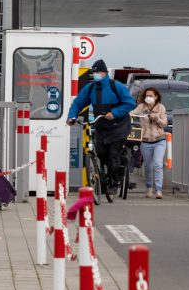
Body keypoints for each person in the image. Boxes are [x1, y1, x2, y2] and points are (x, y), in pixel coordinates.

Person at [67, 59, 134, 195]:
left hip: (118, 126)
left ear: (104, 73)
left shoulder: (117, 86)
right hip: (101, 126)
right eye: (94, 72)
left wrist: (114, 113)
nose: (95, 74)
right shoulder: (90, 88)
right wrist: (71, 116)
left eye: (97, 72)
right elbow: (78, 103)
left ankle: (113, 183)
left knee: (113, 154)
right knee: (101, 153)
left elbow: (130, 103)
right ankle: (108, 174)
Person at [131, 86, 168, 199]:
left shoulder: (161, 107)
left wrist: (156, 118)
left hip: (159, 140)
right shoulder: (141, 107)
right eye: (147, 96)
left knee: (158, 164)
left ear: (156, 97)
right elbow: (132, 113)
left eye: (151, 96)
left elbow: (164, 124)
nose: (148, 98)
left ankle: (159, 190)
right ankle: (149, 188)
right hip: (146, 141)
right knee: (148, 166)